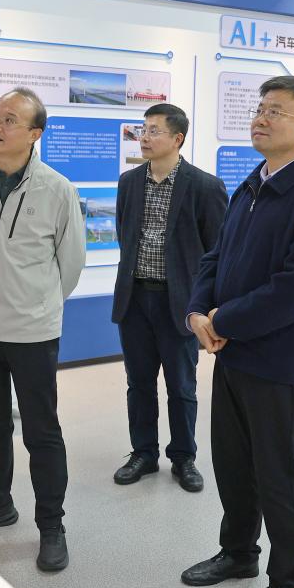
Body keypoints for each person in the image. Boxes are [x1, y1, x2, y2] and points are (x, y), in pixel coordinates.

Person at [182, 76, 294, 588]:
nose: (260, 117)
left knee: (279, 475)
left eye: (275, 111)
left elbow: (292, 291)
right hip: (234, 355)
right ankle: (238, 553)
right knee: (233, 465)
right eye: (260, 108)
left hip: (281, 361)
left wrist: (221, 321)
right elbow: (217, 255)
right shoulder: (254, 183)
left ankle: (291, 584)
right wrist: (197, 310)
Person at [0, 87, 86, 573]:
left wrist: (35, 304)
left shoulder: (56, 189)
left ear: (34, 133)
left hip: (32, 331)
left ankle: (51, 524)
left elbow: (70, 264)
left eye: (10, 119)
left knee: (42, 431)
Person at [111, 103, 227, 491]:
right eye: (143, 130)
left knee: (181, 386)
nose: (144, 137)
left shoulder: (205, 186)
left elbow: (216, 251)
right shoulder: (129, 182)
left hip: (180, 303)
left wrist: (207, 305)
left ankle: (183, 457)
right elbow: (124, 234)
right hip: (135, 299)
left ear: (177, 138)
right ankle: (143, 453)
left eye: (154, 131)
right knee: (139, 383)